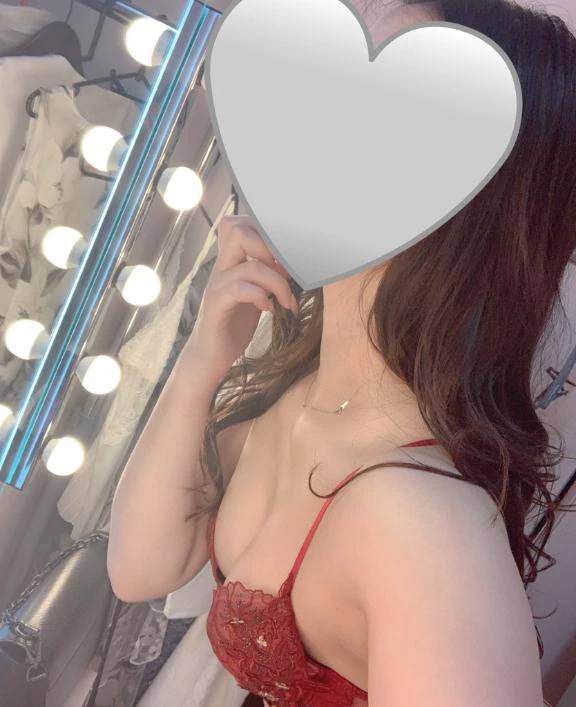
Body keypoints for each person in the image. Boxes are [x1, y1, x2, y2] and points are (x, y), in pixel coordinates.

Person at [107, 0, 575, 704]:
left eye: (380, 104)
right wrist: (203, 359)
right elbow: (140, 568)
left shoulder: (426, 535)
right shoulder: (293, 393)